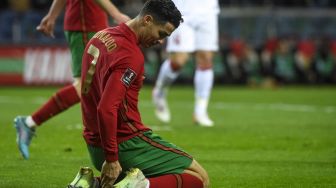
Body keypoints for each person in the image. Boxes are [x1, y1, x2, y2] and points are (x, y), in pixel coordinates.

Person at [67, 0, 209, 187]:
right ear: (147, 20)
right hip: (124, 142)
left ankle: (90, 184)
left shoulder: (100, 36)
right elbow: (106, 108)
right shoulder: (130, 55)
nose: (160, 41)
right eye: (161, 34)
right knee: (200, 179)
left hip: (95, 144)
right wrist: (111, 158)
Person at [14, 0, 130, 159]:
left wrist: (52, 15)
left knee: (95, 88)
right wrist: (116, 14)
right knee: (86, 87)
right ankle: (29, 122)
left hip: (87, 24)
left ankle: (111, 144)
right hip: (86, 24)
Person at [152, 0, 220, 127]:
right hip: (182, 9)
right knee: (178, 61)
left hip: (208, 10)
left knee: (206, 59)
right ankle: (159, 91)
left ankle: (200, 112)